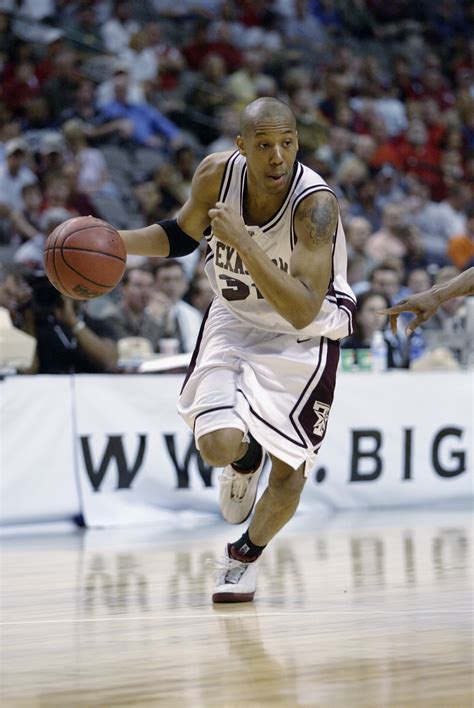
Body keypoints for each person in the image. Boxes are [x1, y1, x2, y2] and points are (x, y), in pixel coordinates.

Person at [117, 97, 356, 603]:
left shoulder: (315, 205)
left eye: (287, 144)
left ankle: (242, 558)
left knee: (290, 476)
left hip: (304, 335)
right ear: (241, 146)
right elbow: (181, 236)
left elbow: (300, 310)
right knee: (217, 444)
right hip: (234, 318)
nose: (277, 158)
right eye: (264, 145)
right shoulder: (214, 176)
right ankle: (245, 462)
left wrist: (244, 241)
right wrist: (113, 244)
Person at [381, 267, 474, 335]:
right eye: (448, 294)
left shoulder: (471, 307)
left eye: (458, 292)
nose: (453, 298)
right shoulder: (425, 315)